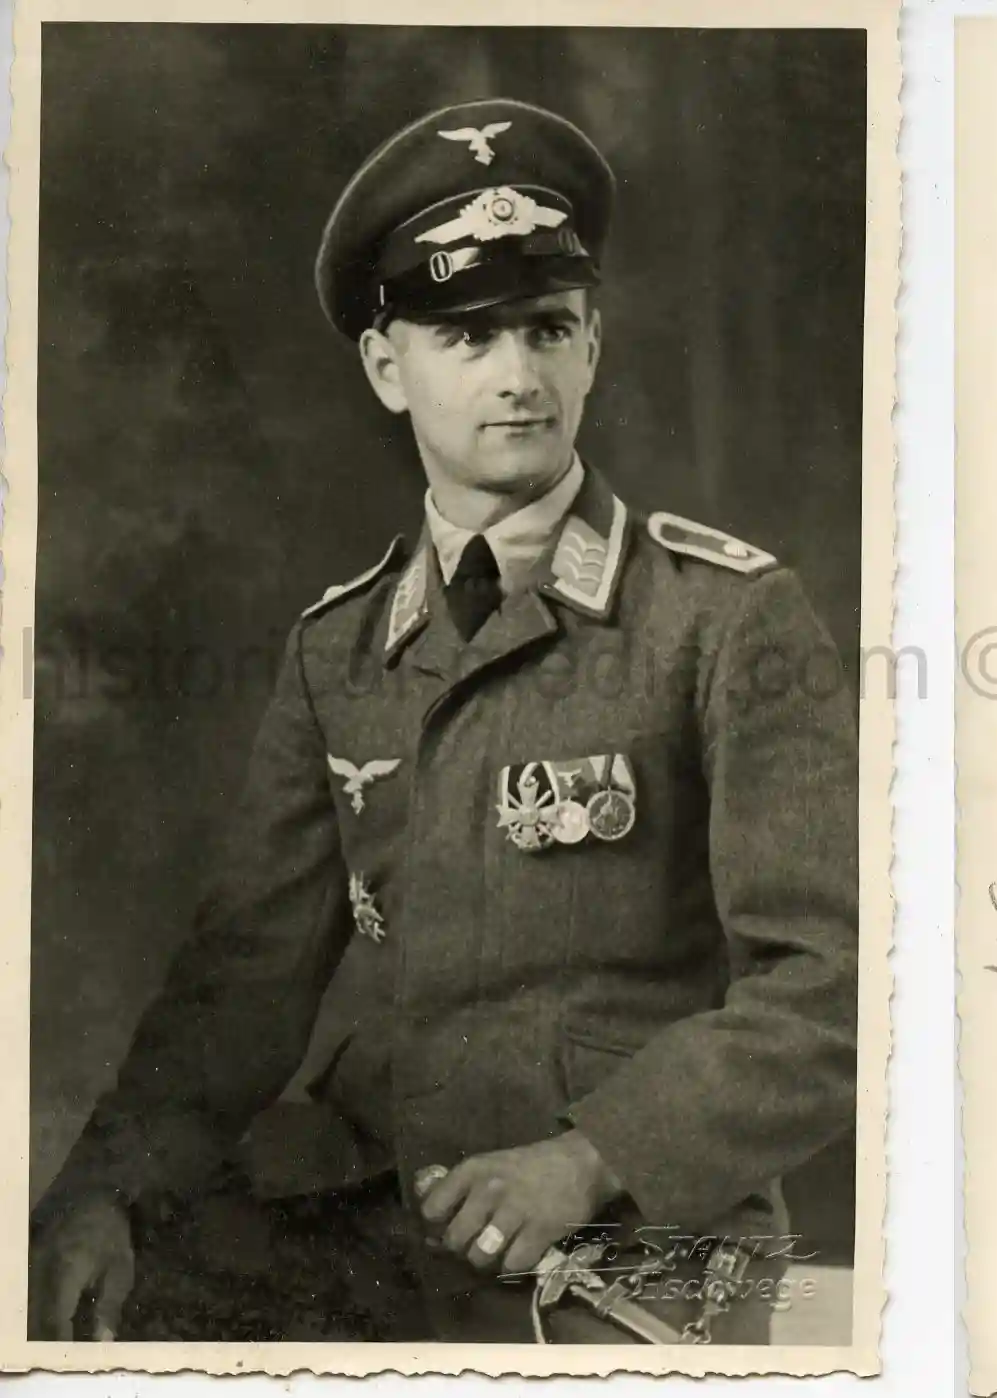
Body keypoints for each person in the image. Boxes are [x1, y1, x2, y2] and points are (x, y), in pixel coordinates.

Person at [27, 98, 859, 1344]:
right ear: (385, 367)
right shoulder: (338, 649)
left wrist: (589, 1157)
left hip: (631, 1251)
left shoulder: (723, 618)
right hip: (376, 1231)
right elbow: (242, 983)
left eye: (547, 328)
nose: (518, 375)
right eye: (467, 336)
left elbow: (833, 989)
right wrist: (105, 1185)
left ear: (592, 346)